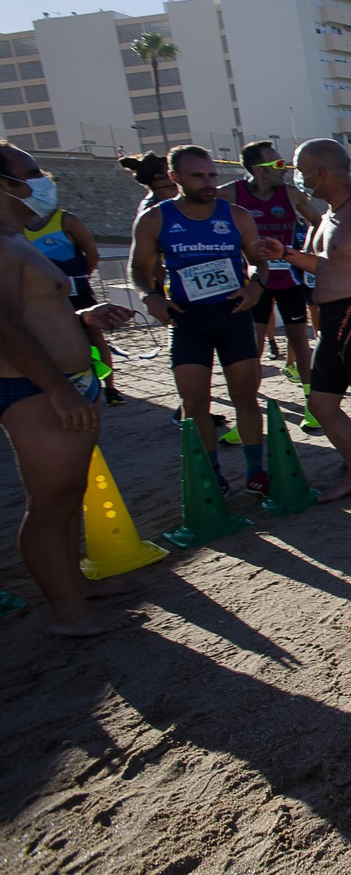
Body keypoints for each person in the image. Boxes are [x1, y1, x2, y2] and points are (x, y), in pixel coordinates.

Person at [0, 140, 141, 636]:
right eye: (30, 172)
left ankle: (74, 586)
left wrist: (82, 318)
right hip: (35, 389)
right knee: (50, 501)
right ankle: (68, 612)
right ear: (4, 185)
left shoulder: (15, 238)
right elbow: (5, 326)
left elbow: (36, 315)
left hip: (60, 382)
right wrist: (57, 390)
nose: (42, 180)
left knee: (67, 494)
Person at [260, 139, 351, 515]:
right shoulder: (328, 216)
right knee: (321, 404)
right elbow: (329, 267)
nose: (295, 176)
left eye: (299, 168)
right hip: (330, 321)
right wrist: (289, 255)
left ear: (320, 172)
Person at [130, 146, 271, 495]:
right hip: (188, 319)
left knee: (246, 398)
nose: (208, 183)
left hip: (233, 316)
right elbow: (138, 267)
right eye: (198, 176)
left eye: (211, 175)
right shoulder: (155, 218)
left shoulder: (236, 215)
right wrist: (151, 296)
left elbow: (259, 260)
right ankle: (213, 474)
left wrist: (256, 287)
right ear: (175, 178)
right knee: (195, 405)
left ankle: (256, 470)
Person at [220, 141, 323, 428]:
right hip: (254, 280)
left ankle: (312, 405)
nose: (284, 170)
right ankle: (247, 414)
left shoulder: (290, 194)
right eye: (277, 165)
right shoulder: (231, 194)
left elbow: (318, 221)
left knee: (300, 343)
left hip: (288, 278)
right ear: (257, 170)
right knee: (252, 347)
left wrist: (305, 252)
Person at [23, 182, 126, 406]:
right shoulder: (16, 228)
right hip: (45, 299)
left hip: (78, 291)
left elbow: (92, 253)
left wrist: (80, 278)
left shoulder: (65, 220)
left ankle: (111, 388)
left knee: (95, 339)